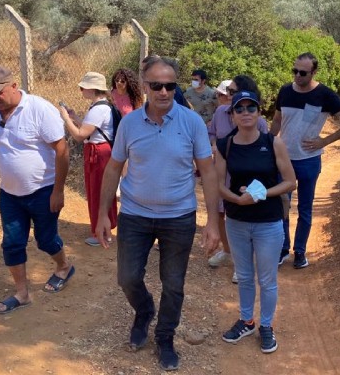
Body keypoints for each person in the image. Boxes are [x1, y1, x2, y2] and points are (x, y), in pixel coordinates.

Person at [95, 56, 220, 371]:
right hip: (135, 214)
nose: (164, 92)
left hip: (179, 217)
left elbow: (208, 172)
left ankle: (165, 337)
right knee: (127, 278)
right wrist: (103, 214)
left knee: (173, 284)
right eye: (156, 85)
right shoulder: (130, 123)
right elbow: (113, 168)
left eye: (170, 85)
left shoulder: (191, 123)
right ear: (144, 86)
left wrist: (213, 222)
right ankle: (144, 310)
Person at [0, 65, 74, 314]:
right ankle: (22, 293)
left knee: (46, 240)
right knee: (12, 243)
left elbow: (62, 150)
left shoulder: (39, 109)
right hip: (9, 194)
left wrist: (58, 191)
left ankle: (63, 266)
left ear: (13, 86)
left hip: (43, 190)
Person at [215, 90, 296, 354]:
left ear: (259, 112)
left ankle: (266, 325)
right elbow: (218, 184)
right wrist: (238, 201)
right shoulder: (224, 145)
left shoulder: (273, 143)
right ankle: (247, 320)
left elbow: (290, 182)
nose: (246, 113)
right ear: (232, 115)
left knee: (267, 279)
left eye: (251, 108)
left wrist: (259, 195)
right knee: (245, 275)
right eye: (240, 108)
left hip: (268, 221)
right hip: (236, 220)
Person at [271, 52, 340, 269]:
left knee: (305, 208)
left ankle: (300, 252)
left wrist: (325, 141)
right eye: (294, 71)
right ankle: (282, 249)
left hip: (309, 161)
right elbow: (277, 120)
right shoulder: (285, 91)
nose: (297, 76)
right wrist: (268, 145)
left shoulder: (325, 95)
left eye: (302, 73)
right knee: (281, 205)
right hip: (284, 160)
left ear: (314, 72)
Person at [207, 76, 269, 282]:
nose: (228, 95)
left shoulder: (260, 122)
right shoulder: (219, 112)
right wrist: (214, 145)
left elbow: (264, 148)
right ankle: (228, 251)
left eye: (232, 92)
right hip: (221, 173)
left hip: (245, 176)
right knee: (220, 212)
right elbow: (212, 133)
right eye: (228, 91)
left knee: (244, 217)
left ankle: (243, 262)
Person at [57, 72, 118, 247]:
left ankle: (101, 233)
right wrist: (75, 118)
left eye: (83, 87)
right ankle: (104, 228)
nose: (81, 90)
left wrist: (66, 119)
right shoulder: (101, 106)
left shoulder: (98, 109)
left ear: (92, 89)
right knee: (99, 190)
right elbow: (90, 128)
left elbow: (79, 135)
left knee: (98, 191)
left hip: (98, 154)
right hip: (100, 151)